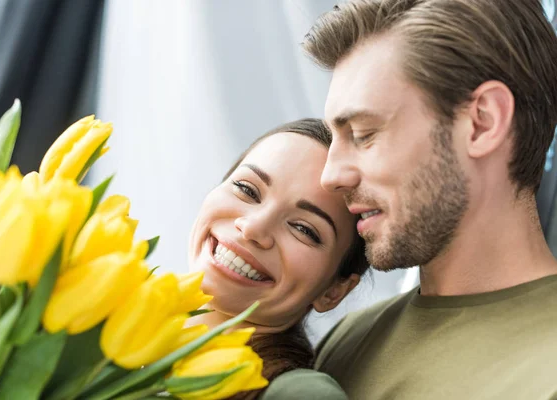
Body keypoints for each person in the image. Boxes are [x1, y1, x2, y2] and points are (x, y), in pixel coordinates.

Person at [297, 0, 557, 399]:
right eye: (333, 140)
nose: (331, 176)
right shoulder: (347, 345)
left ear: (481, 122)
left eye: (364, 134)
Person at [187, 118, 369, 399]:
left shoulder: (298, 394)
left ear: (334, 291)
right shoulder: (117, 315)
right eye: (247, 190)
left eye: (304, 229)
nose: (253, 228)